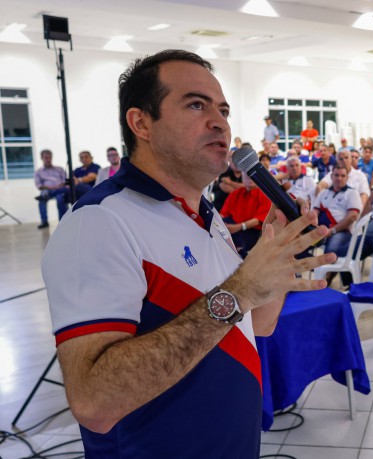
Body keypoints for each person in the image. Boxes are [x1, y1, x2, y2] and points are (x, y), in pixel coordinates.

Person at [41, 49, 334, 458]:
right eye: (196, 104)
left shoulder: (205, 215)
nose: (220, 122)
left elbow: (259, 325)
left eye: (224, 109)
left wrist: (274, 250)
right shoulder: (99, 222)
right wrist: (241, 290)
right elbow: (94, 402)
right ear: (141, 122)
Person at [312, 166, 362, 262]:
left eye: (343, 176)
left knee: (331, 252)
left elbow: (352, 216)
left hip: (341, 231)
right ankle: (313, 270)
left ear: (347, 178)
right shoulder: (323, 192)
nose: (339, 178)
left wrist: (331, 231)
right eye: (336, 175)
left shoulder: (352, 193)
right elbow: (315, 213)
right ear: (331, 176)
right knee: (296, 246)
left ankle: (325, 275)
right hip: (320, 230)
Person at [220, 174, 272, 258]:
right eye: (246, 175)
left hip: (252, 231)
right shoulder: (236, 193)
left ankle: (240, 250)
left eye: (252, 175)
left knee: (228, 229)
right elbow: (222, 214)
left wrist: (238, 227)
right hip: (233, 227)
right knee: (223, 222)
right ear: (242, 177)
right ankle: (241, 250)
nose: (249, 178)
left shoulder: (264, 194)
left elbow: (258, 220)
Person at [34, 149, 68, 229]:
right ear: (41, 158)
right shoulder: (38, 172)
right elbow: (39, 186)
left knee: (61, 199)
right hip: (47, 189)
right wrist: (51, 188)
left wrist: (58, 187)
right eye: (46, 158)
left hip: (60, 190)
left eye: (49, 157)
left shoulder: (60, 169)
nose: (48, 159)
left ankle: (62, 221)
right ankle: (44, 222)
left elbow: (65, 181)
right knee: (42, 198)